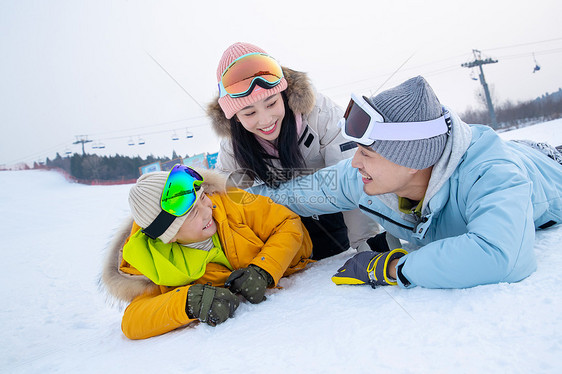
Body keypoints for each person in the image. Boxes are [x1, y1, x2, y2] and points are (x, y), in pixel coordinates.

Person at [250, 76, 562, 289]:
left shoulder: (492, 174)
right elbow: (300, 192)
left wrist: (393, 267)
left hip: (546, 165)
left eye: (367, 152)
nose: (354, 162)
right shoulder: (365, 175)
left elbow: (501, 257)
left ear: (412, 160)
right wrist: (224, 197)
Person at [206, 42, 380, 260]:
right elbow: (231, 205)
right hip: (283, 232)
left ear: (284, 95)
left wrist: (367, 245)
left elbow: (353, 180)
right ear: (235, 118)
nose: (265, 120)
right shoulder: (233, 147)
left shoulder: (321, 115)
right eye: (249, 113)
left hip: (333, 217)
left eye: (271, 104)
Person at [101, 165, 313, 339]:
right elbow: (132, 321)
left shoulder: (228, 204)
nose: (207, 208)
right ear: (170, 235)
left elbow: (288, 223)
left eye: (202, 197)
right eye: (192, 212)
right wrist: (188, 302)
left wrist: (264, 269)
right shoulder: (158, 262)